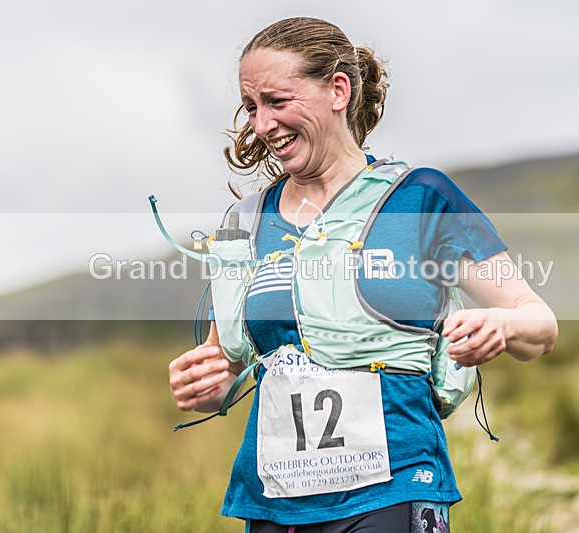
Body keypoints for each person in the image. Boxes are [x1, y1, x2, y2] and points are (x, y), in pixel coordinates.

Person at [168, 17, 557, 533]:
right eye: (252, 107)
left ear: (338, 90)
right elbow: (225, 361)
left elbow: (539, 324)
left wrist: (503, 327)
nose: (262, 125)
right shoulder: (245, 221)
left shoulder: (419, 199)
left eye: (277, 102)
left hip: (393, 487)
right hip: (273, 501)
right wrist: (206, 384)